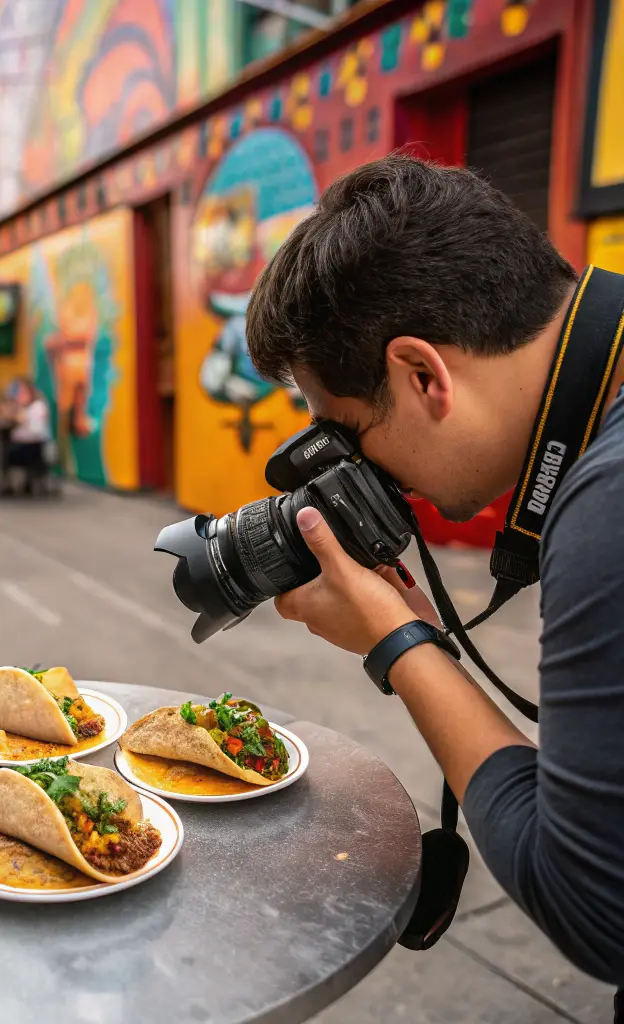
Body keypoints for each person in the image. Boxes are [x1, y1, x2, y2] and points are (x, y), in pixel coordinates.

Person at [244, 155, 624, 995]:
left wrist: (398, 639)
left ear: (422, 376)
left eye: (343, 435)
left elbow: (600, 909)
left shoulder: (608, 502)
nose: (353, 473)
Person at [5, 378, 52, 493]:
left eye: (22, 392)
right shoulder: (26, 408)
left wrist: (22, 419)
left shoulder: (37, 407)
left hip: (34, 448)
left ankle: (10, 486)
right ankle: (14, 485)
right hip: (27, 446)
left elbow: (36, 431)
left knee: (2, 453)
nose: (19, 396)